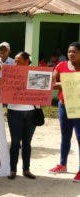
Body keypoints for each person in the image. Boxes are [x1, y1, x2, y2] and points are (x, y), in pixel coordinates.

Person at [49, 42, 80, 182]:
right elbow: (52, 84)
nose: (71, 54)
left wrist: (64, 83)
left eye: (74, 51)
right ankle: (62, 164)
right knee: (65, 136)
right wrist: (66, 83)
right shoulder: (61, 66)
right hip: (64, 105)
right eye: (69, 51)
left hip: (79, 107)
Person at [7, 51, 37, 180]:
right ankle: (12, 170)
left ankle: (26, 169)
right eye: (15, 60)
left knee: (27, 142)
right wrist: (1, 74)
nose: (16, 63)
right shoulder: (10, 74)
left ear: (27, 61)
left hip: (31, 112)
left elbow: (42, 90)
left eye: (18, 60)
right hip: (14, 111)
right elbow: (2, 86)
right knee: (15, 142)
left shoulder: (35, 74)